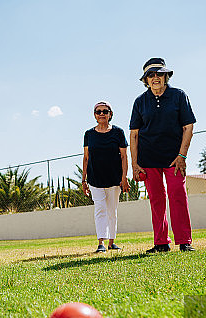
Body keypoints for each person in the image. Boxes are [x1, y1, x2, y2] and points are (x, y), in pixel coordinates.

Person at [129, 58, 196, 253]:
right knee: (156, 200)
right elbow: (134, 134)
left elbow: (188, 126)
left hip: (173, 158)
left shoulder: (178, 96)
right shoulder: (139, 102)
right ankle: (161, 242)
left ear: (166, 76)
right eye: (151, 75)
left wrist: (182, 155)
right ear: (146, 80)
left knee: (177, 195)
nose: (155, 77)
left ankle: (184, 240)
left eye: (159, 73)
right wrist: (135, 164)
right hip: (148, 159)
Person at [82, 101, 130, 253]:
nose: (102, 114)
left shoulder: (118, 132)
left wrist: (124, 178)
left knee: (112, 210)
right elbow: (86, 158)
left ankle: (112, 242)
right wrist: (84, 180)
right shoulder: (89, 134)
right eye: (98, 111)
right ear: (94, 115)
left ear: (110, 114)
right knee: (100, 209)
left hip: (114, 179)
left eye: (105, 111)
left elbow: (124, 156)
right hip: (95, 179)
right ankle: (101, 243)